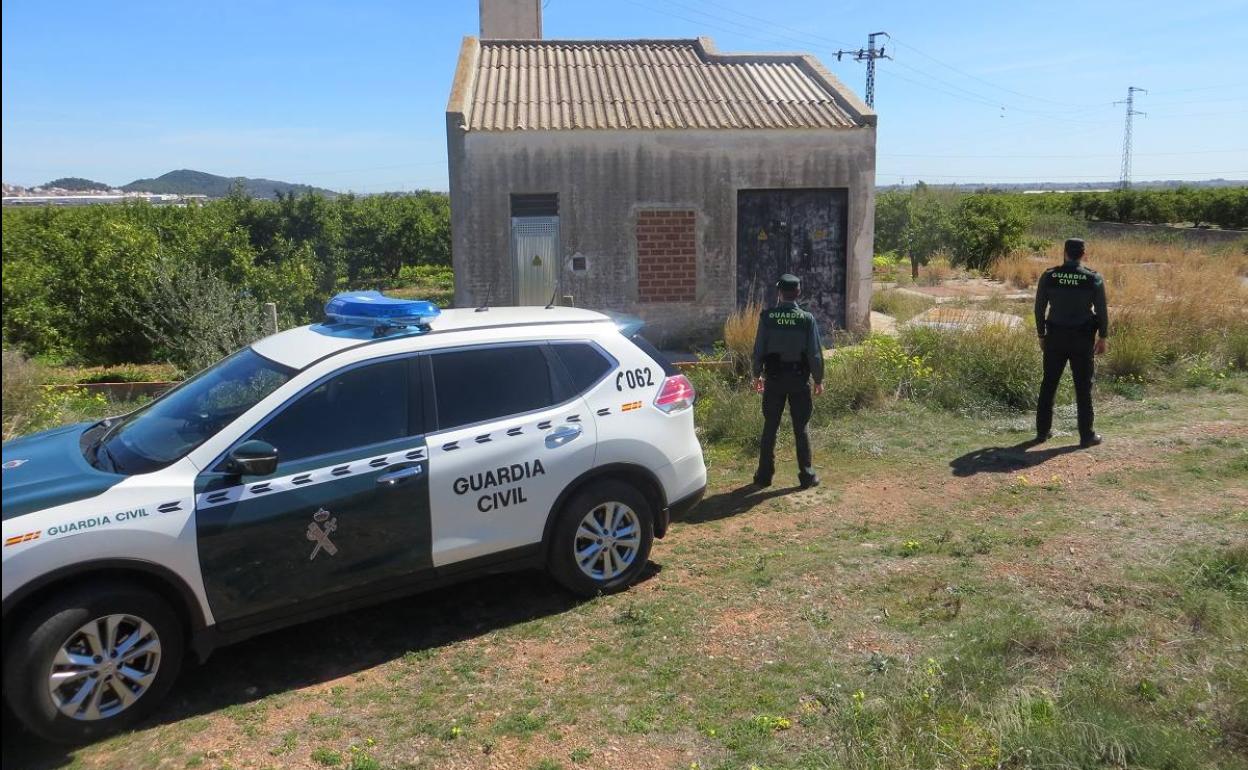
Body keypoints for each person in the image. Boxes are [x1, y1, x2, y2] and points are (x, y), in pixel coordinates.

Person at [751, 273, 825, 489]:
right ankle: (807, 475)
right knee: (801, 427)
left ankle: (764, 476)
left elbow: (758, 350)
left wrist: (756, 375)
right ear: (798, 292)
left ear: (779, 292)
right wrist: (818, 379)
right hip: (799, 380)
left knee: (770, 427)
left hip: (774, 380)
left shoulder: (767, 317)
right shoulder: (806, 319)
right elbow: (815, 354)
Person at [1034, 238, 1109, 448]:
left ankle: (1042, 432)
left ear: (1065, 252)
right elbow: (1101, 311)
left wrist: (1041, 335)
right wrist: (1103, 337)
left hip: (1055, 338)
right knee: (1083, 388)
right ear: (1083, 254)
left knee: (1049, 384)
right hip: (1081, 339)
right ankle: (1087, 436)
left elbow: (1039, 309)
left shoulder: (1049, 276)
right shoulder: (1093, 278)